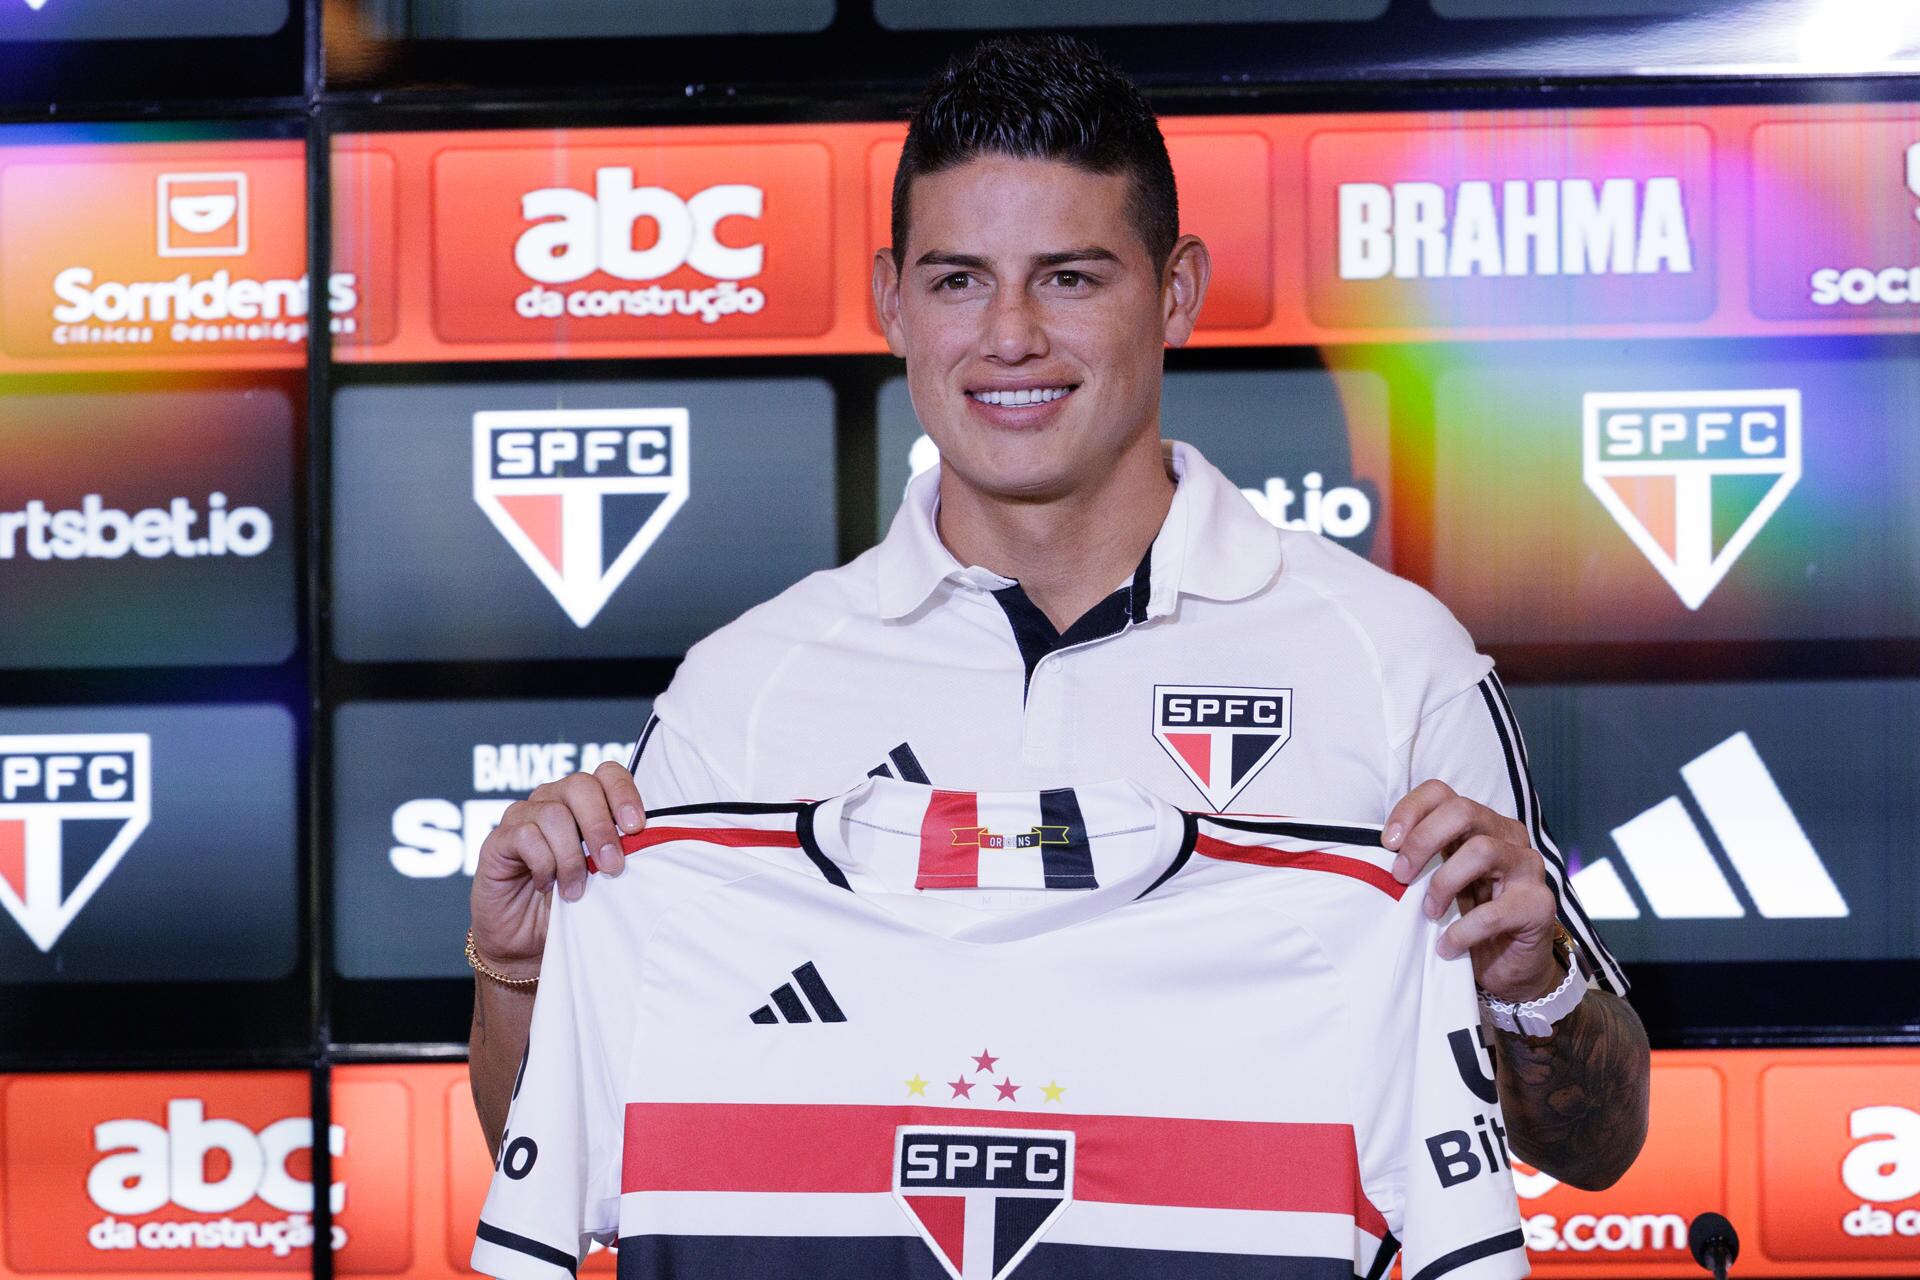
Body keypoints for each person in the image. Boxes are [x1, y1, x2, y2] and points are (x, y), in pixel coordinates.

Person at [465, 34, 1650, 1190]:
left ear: (1176, 291)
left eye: (1070, 277)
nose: (1010, 336)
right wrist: (520, 974)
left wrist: (1527, 982)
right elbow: (569, 1141)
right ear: (891, 302)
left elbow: (1594, 1147)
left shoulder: (1390, 655)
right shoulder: (748, 683)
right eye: (957, 281)